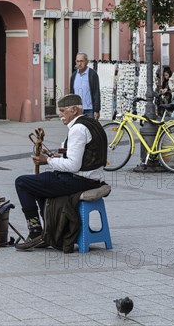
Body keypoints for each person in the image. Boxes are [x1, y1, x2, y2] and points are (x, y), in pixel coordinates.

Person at [14, 94, 107, 250]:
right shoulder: (92, 123)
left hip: (79, 180)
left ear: (75, 110)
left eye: (63, 111)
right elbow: (79, 156)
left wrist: (47, 161)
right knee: (39, 183)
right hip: (90, 177)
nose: (60, 115)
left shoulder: (78, 128)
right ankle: (48, 233)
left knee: (22, 183)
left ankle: (36, 233)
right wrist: (58, 158)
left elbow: (73, 166)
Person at [70, 53, 101, 120]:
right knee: (77, 129)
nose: (79, 63)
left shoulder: (92, 74)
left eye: (81, 61)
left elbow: (96, 92)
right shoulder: (74, 75)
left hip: (89, 110)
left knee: (89, 129)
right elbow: (72, 93)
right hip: (77, 110)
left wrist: (96, 110)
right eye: (78, 61)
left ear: (86, 62)